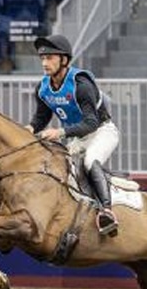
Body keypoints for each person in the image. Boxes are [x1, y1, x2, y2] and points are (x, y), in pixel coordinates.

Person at [30, 34, 122, 236]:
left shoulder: (81, 84)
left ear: (63, 60)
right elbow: (41, 118)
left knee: (89, 162)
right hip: (77, 137)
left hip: (101, 132)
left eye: (50, 58)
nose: (45, 63)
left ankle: (107, 211)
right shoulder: (43, 88)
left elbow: (91, 123)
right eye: (43, 58)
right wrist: (28, 130)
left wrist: (60, 132)